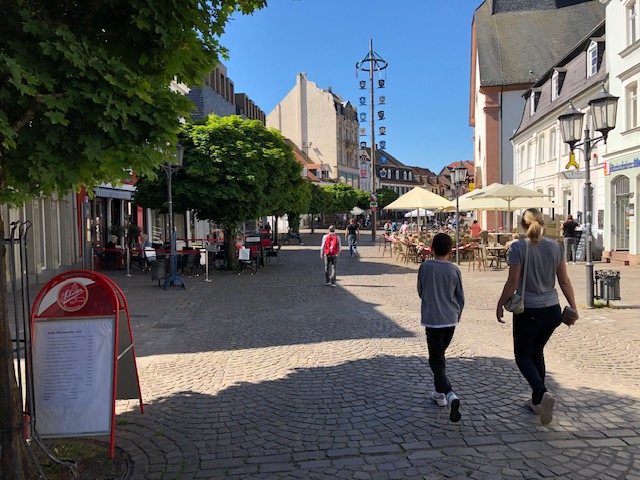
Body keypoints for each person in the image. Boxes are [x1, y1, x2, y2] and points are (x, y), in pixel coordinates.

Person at [496, 208, 578, 426]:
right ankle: (536, 401)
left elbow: (513, 281)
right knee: (537, 351)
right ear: (542, 223)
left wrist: (500, 304)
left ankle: (541, 393)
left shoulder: (517, 247)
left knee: (522, 355)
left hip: (528, 310)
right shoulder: (556, 246)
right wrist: (573, 306)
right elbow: (564, 281)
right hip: (552, 310)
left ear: (523, 225)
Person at [417, 233, 465, 423]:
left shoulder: (425, 267)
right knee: (440, 357)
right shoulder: (454, 270)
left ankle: (450, 393)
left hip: (432, 319)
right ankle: (439, 393)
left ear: (432, 248)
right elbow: (460, 296)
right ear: (451, 250)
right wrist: (456, 314)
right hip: (450, 320)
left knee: (435, 361)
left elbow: (421, 291)